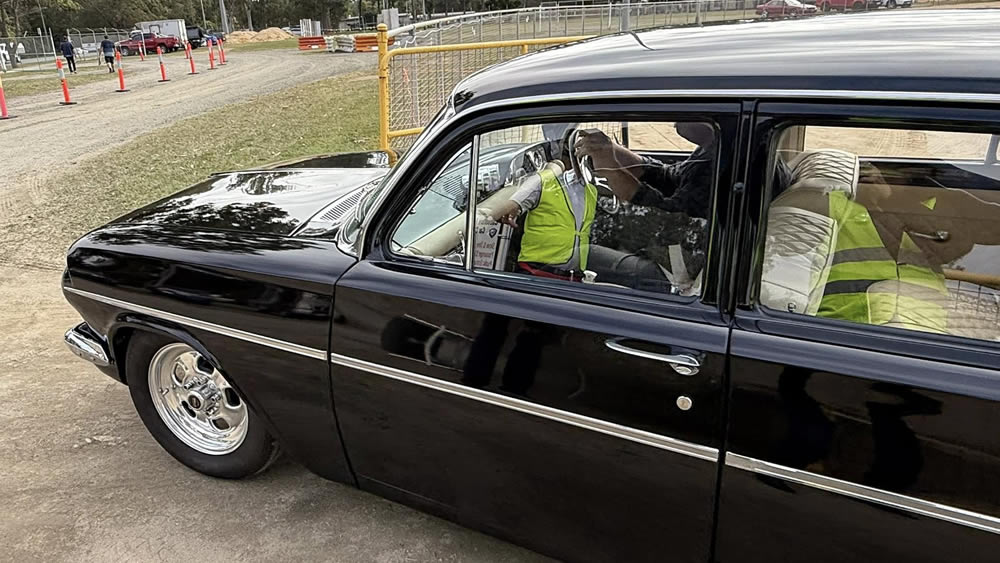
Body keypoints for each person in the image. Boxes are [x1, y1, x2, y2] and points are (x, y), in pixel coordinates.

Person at [488, 154, 597, 282]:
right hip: (535, 274)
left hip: (572, 279)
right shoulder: (544, 181)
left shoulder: (592, 191)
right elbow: (498, 211)